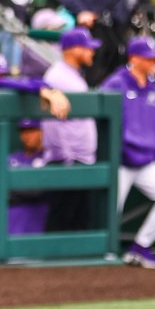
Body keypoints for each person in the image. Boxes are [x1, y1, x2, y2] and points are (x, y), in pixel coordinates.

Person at [101, 36, 155, 269]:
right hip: (121, 160)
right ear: (134, 58)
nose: (153, 62)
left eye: (154, 58)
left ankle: (140, 247)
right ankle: (102, 256)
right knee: (110, 211)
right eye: (148, 58)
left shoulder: (153, 88)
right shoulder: (116, 83)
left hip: (146, 160)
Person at [41, 27, 101, 230]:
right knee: (62, 221)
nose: (92, 52)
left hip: (78, 159)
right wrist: (65, 157)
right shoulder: (58, 75)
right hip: (67, 160)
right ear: (74, 49)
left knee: (78, 221)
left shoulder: (72, 74)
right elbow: (51, 123)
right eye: (87, 48)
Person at [7, 119, 49, 234]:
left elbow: (38, 191)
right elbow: (2, 189)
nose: (26, 136)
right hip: (10, 227)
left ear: (42, 131)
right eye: (23, 131)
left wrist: (14, 189)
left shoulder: (47, 159)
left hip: (36, 225)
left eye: (31, 130)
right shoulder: (12, 158)